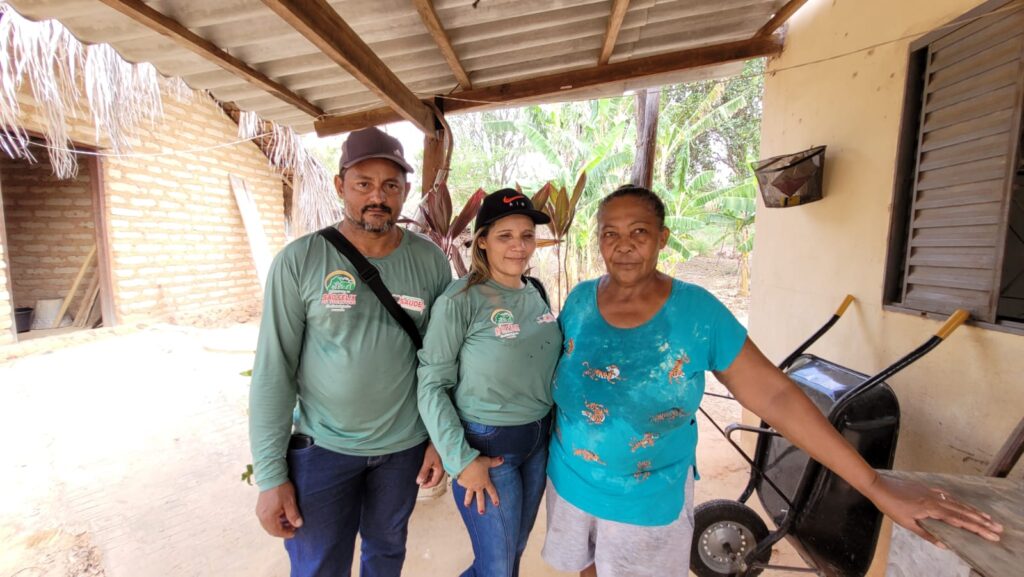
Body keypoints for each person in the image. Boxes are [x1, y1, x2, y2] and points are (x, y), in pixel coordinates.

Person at [542, 185, 1003, 577]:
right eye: (610, 233)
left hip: (646, 499)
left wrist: (876, 486)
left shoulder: (698, 314)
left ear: (662, 238)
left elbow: (777, 395)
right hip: (570, 482)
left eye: (639, 232)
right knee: (586, 568)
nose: (623, 245)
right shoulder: (580, 301)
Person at [248, 126, 451, 577]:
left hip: (403, 449)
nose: (377, 196)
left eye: (390, 186)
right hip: (324, 450)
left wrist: (438, 440)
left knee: (386, 555)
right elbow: (273, 372)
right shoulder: (300, 261)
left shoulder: (431, 263)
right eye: (364, 184)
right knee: (319, 564)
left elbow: (443, 363)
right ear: (340, 186)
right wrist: (271, 476)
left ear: (405, 192)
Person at [417, 189, 562, 577]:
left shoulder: (536, 291)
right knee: (497, 567)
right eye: (505, 236)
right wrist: (460, 460)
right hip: (488, 445)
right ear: (482, 241)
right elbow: (431, 384)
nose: (519, 246)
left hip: (539, 440)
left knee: (512, 554)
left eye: (527, 235)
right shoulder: (460, 300)